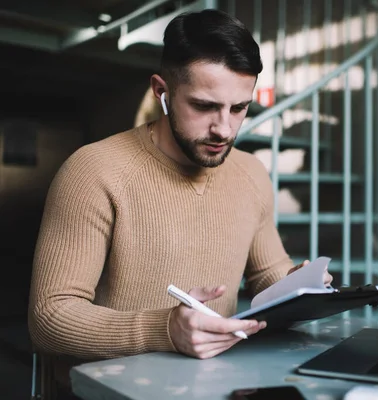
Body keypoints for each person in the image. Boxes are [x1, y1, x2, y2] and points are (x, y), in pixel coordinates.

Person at [28, 9, 332, 398]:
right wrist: (166, 329)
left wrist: (299, 287)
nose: (224, 129)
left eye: (239, 108)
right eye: (205, 106)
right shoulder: (93, 171)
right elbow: (49, 318)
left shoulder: (252, 173)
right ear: (162, 92)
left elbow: (268, 275)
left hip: (215, 387)